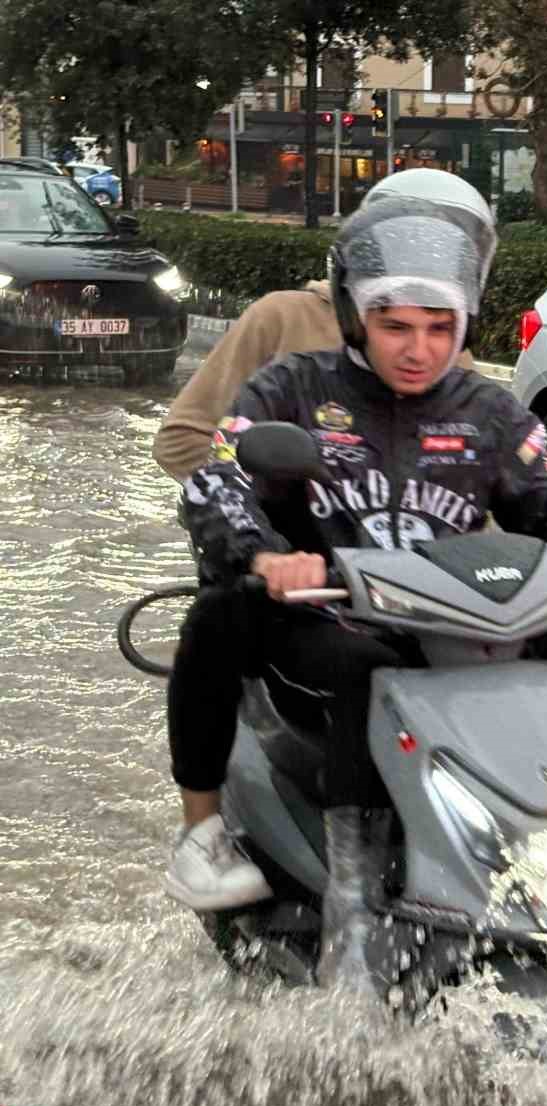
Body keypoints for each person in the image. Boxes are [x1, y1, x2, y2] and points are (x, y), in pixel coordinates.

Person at [168, 192, 547, 995]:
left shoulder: (490, 410)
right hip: (324, 619)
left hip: (450, 621)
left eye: (438, 329)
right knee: (293, 641)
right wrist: (267, 554)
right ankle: (259, 857)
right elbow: (218, 476)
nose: (419, 349)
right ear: (356, 316)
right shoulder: (293, 387)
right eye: (396, 327)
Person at [159, 172, 486, 913]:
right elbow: (193, 444)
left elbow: (479, 485)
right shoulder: (282, 330)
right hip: (290, 581)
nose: (417, 345)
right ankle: (247, 848)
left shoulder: (449, 360)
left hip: (403, 588)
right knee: (263, 638)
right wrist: (261, 536)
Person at [153, 171, 480, 482]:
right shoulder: (281, 318)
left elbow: (486, 473)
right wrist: (263, 505)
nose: (419, 350)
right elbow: (181, 440)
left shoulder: (450, 352)